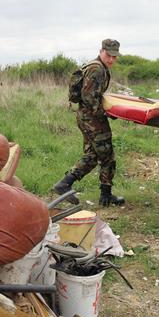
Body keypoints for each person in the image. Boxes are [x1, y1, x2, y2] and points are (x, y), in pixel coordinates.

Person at [53, 39, 125, 207]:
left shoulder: (98, 66)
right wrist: (107, 112)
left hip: (87, 117)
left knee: (92, 156)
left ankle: (64, 184)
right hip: (92, 119)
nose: (112, 60)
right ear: (102, 51)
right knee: (107, 155)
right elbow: (89, 97)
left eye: (115, 57)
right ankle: (106, 196)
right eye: (109, 55)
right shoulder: (96, 68)